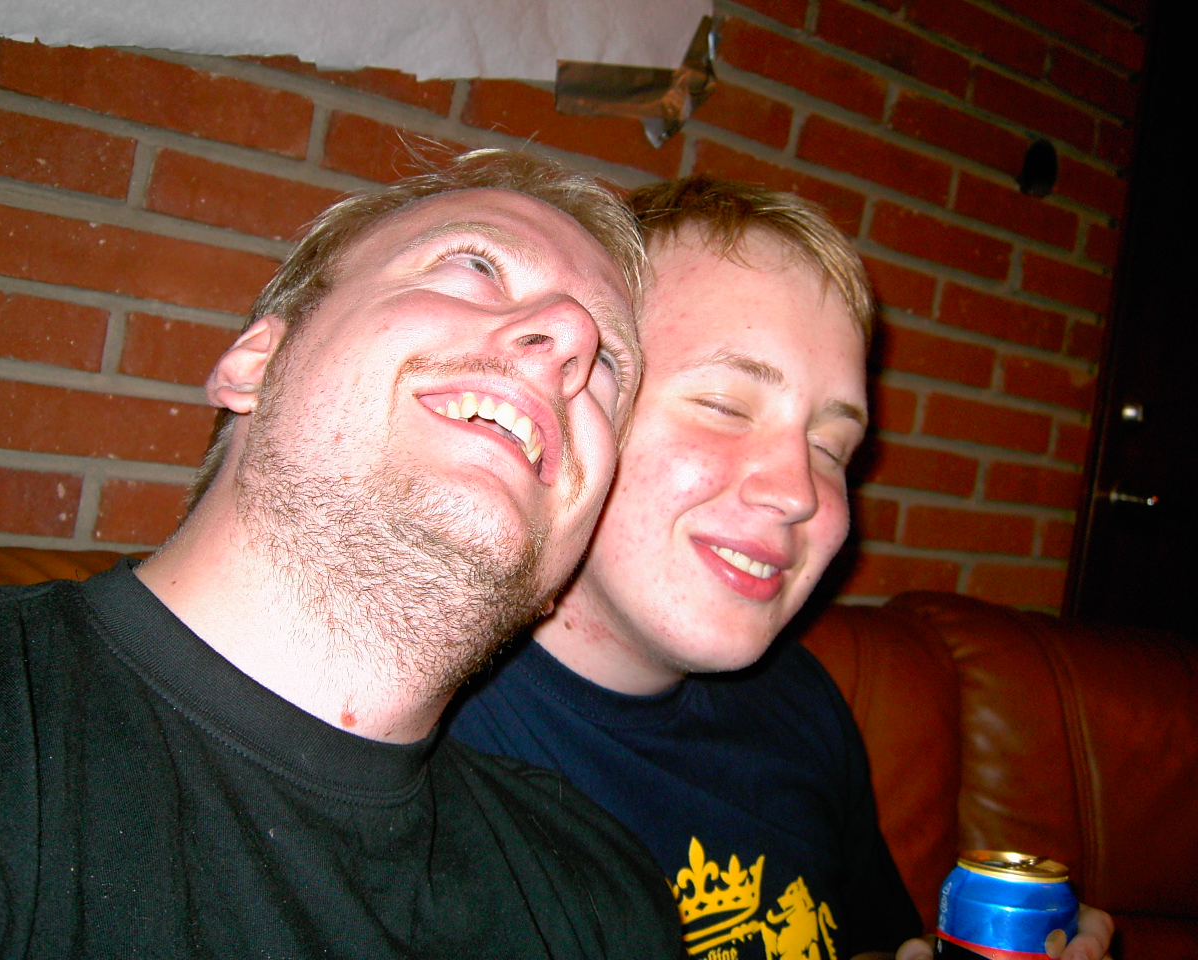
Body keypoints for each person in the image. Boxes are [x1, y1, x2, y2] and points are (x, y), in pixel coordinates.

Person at [0, 150, 682, 959]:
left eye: (608, 365)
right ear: (258, 363)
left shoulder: (600, 892)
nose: (569, 336)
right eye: (474, 265)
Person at [449, 176, 1114, 960]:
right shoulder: (421, 740)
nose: (801, 492)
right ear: (576, 401)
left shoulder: (799, 705)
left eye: (832, 448)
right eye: (726, 406)